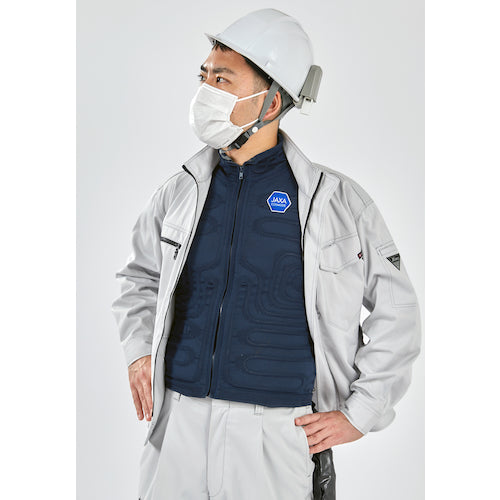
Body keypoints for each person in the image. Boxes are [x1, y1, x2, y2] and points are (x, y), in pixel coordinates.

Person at [111, 8, 421, 500]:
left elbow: (397, 311)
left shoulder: (338, 204)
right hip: (178, 427)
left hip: (278, 436)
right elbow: (138, 278)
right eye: (204, 77)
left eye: (222, 80)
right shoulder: (180, 191)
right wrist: (137, 353)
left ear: (272, 101)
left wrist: (362, 412)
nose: (205, 91)